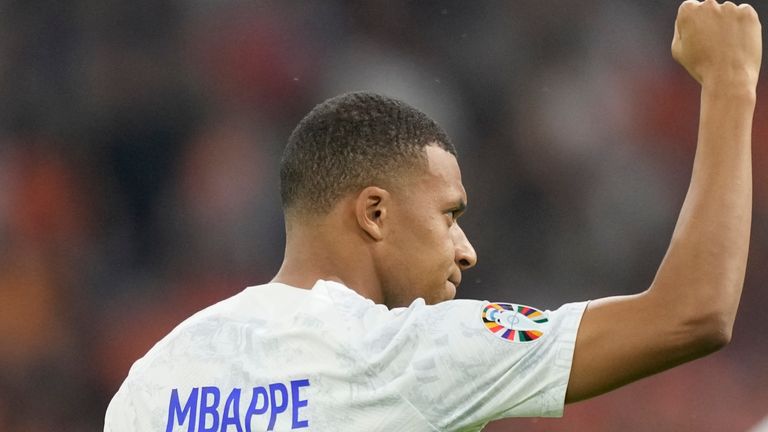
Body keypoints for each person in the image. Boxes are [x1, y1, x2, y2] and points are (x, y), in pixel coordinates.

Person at [104, 1, 762, 430]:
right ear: (375, 214)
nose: (466, 248)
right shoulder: (411, 355)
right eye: (448, 215)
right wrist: (731, 79)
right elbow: (693, 313)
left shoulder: (159, 375)